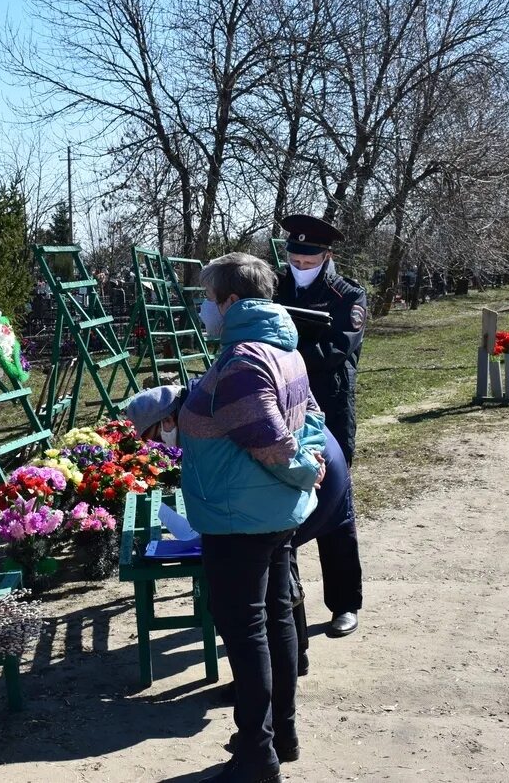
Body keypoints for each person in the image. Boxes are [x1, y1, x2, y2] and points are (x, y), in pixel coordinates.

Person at [180, 252, 326, 783]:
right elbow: (311, 418)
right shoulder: (283, 348)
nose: (201, 309)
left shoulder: (243, 359)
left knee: (247, 633)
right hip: (269, 513)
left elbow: (270, 441)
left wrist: (304, 470)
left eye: (206, 298)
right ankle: (280, 735)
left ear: (231, 302)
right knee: (277, 620)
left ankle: (255, 755)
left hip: (240, 517)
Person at [273, 213, 366, 638]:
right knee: (277, 508)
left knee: (335, 506)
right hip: (282, 408)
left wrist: (287, 351)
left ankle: (345, 602)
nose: (299, 264)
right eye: (294, 256)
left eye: (309, 260)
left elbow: (336, 350)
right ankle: (286, 604)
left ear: (327, 256)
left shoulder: (348, 294)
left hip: (329, 406)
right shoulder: (275, 287)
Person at [290, 426, 354, 672]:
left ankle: (293, 657)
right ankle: (296, 653)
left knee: (275, 554)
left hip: (319, 468)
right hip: (314, 457)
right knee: (279, 559)